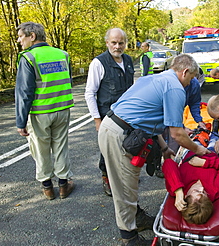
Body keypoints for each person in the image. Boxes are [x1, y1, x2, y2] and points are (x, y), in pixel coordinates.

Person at [98, 54, 210, 245]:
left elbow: (152, 121)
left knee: (129, 181)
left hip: (120, 128)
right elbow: (177, 133)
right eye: (191, 78)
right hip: (120, 133)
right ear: (185, 72)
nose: (190, 83)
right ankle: (130, 236)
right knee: (124, 186)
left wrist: (165, 148)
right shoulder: (175, 87)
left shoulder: (154, 78)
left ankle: (137, 217)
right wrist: (198, 150)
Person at [15, 22, 75, 200]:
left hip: (40, 113)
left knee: (40, 150)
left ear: (32, 36)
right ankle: (64, 185)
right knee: (61, 147)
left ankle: (47, 187)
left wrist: (21, 122)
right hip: (63, 110)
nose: (19, 41)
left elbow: (25, 93)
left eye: (21, 36)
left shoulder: (28, 57)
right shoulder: (62, 54)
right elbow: (68, 80)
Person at [84, 28, 134, 197]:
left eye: (121, 43)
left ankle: (123, 176)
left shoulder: (128, 60)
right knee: (108, 150)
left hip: (127, 114)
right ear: (107, 43)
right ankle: (107, 178)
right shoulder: (98, 63)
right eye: (114, 42)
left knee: (127, 146)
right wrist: (97, 120)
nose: (117, 46)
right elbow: (90, 93)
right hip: (108, 116)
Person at [162, 151, 219, 224]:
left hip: (191, 149)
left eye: (197, 191)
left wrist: (178, 190)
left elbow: (168, 163)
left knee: (192, 140)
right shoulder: (216, 189)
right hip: (209, 152)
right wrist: (204, 162)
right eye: (204, 193)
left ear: (186, 196)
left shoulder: (178, 190)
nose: (202, 188)